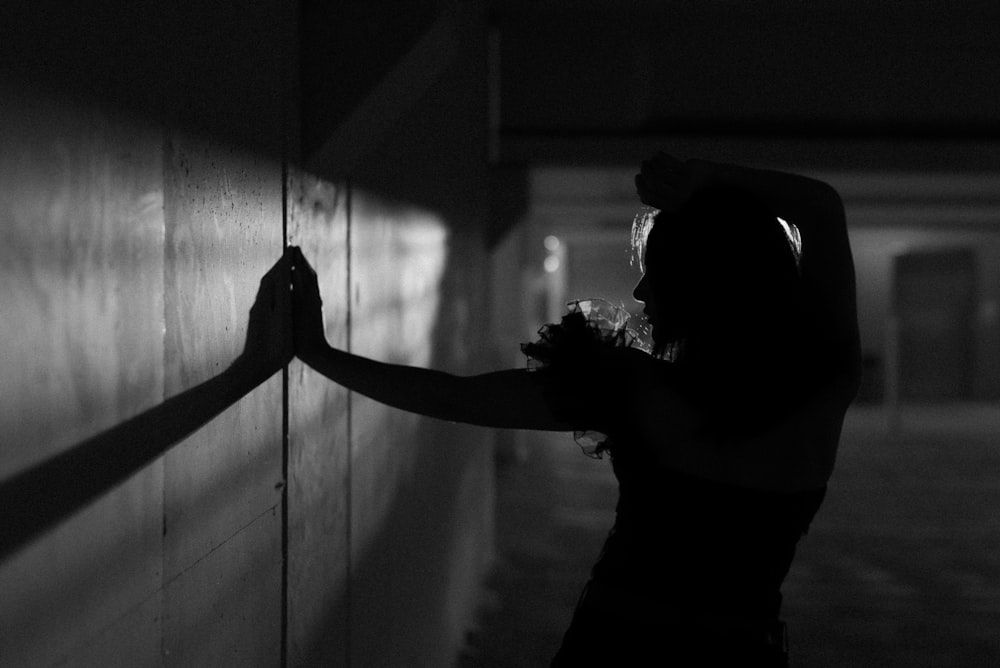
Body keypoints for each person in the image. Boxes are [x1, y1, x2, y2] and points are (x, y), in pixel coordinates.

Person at [287, 153, 861, 666]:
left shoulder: (634, 388)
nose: (640, 294)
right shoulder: (823, 391)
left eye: (656, 273)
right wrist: (708, 180)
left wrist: (316, 352)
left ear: (697, 289)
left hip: (616, 645)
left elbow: (453, 396)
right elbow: (821, 206)